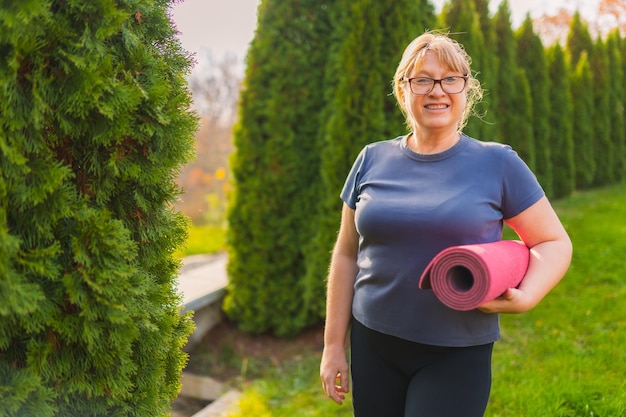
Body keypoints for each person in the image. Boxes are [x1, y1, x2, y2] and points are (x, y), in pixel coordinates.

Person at [319, 31, 572, 417]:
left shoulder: (498, 163)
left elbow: (553, 242)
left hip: (456, 351)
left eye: (450, 79)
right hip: (373, 341)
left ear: (466, 90)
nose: (436, 90)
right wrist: (333, 344)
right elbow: (346, 254)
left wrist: (527, 297)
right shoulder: (371, 158)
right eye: (422, 79)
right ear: (403, 90)